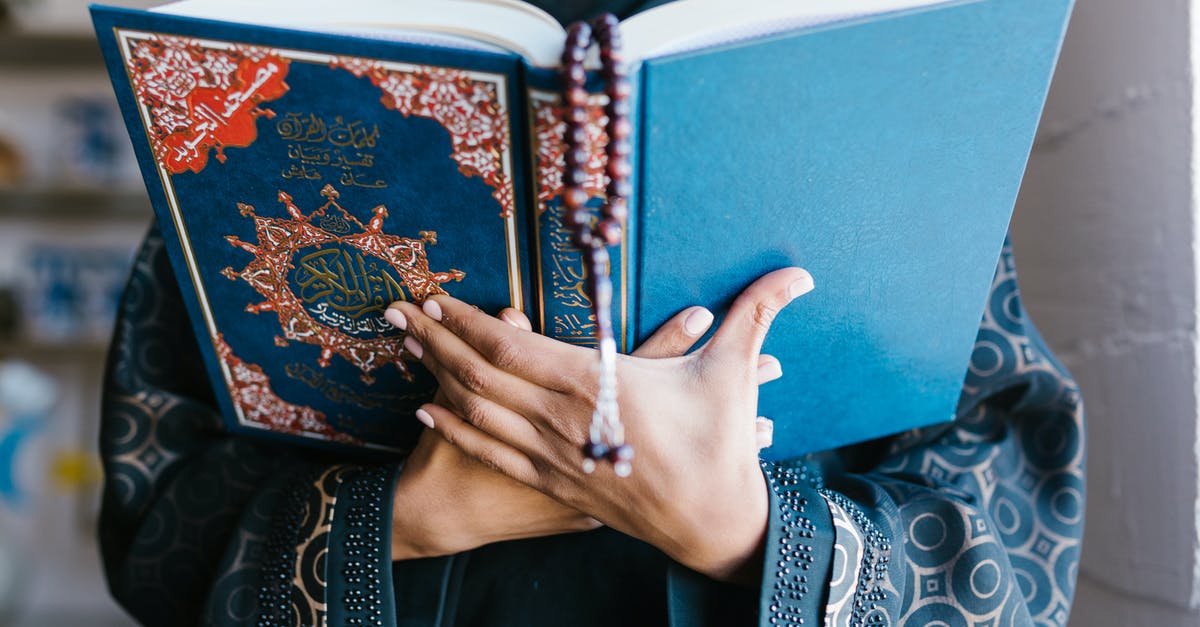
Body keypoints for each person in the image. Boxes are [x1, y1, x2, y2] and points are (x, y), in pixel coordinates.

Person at [98, 4, 1084, 626]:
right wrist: (403, 521)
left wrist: (739, 530)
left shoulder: (846, 45)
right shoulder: (299, 38)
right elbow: (158, 505)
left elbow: (1009, 520)